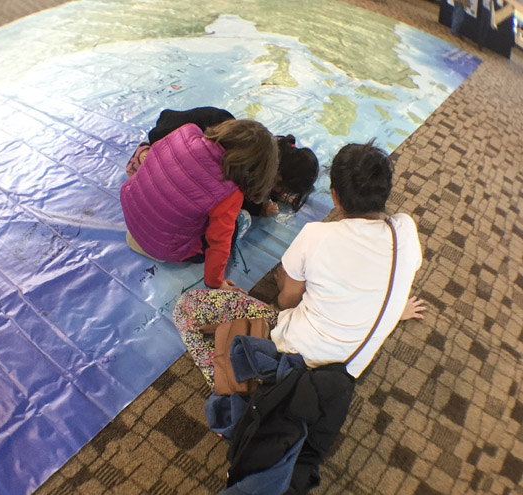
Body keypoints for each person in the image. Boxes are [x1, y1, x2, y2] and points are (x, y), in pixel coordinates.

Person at [173, 140, 425, 387]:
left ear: (335, 196)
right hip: (342, 375)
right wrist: (392, 311)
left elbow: (286, 302)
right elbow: (390, 275)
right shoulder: (404, 228)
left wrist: (289, 286)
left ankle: (230, 385)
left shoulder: (316, 235)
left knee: (186, 308)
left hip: (287, 359)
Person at [120, 119, 278, 290]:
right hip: (163, 248)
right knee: (232, 225)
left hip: (131, 216)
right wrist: (215, 284)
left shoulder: (186, 130)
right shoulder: (229, 191)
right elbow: (219, 243)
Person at [126, 107, 319, 218]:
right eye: (280, 188)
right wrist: (259, 209)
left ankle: (147, 156)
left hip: (175, 128)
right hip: (163, 136)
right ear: (277, 175)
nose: (279, 193)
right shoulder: (232, 168)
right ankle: (145, 154)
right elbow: (235, 197)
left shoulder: (258, 146)